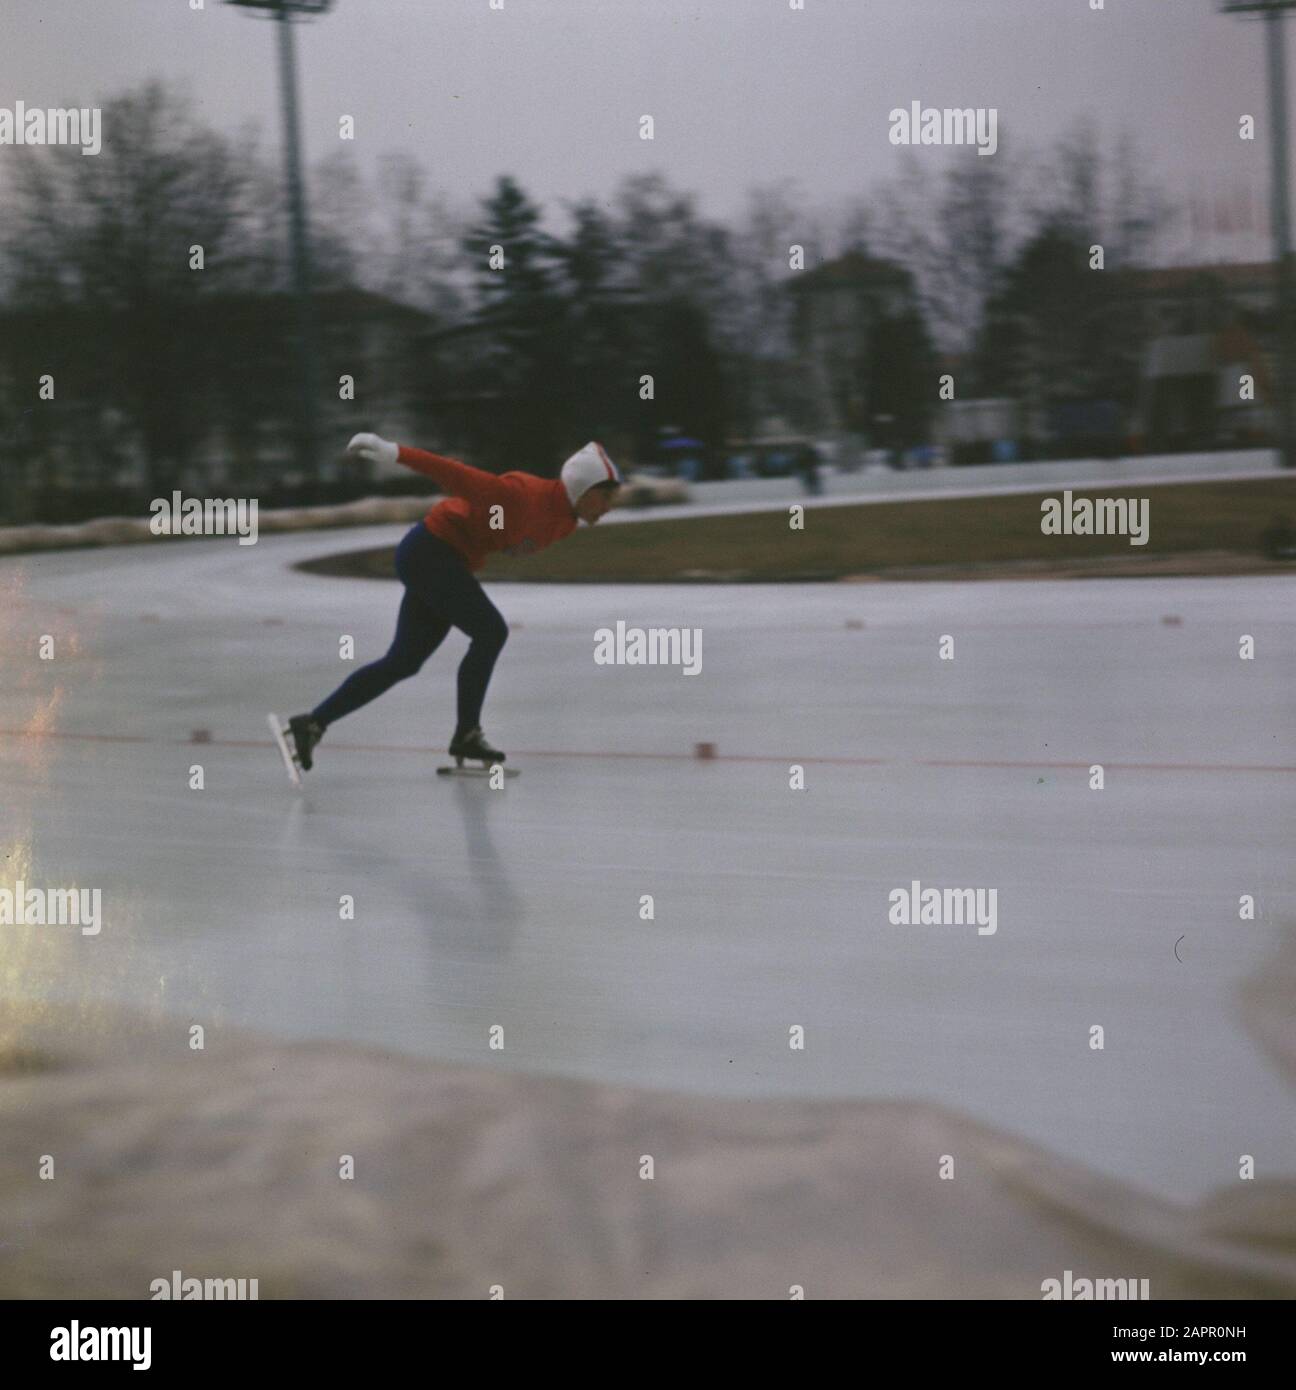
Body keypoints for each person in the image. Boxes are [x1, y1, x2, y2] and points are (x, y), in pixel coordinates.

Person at [286, 432, 622, 772]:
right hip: (429, 552)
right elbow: (454, 474)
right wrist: (395, 453)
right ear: (583, 488)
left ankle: (313, 723)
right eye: (604, 496)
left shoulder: (565, 522)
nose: (609, 507)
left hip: (445, 560)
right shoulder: (520, 496)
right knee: (491, 632)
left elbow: (505, 537)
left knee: (404, 661)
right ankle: (467, 733)